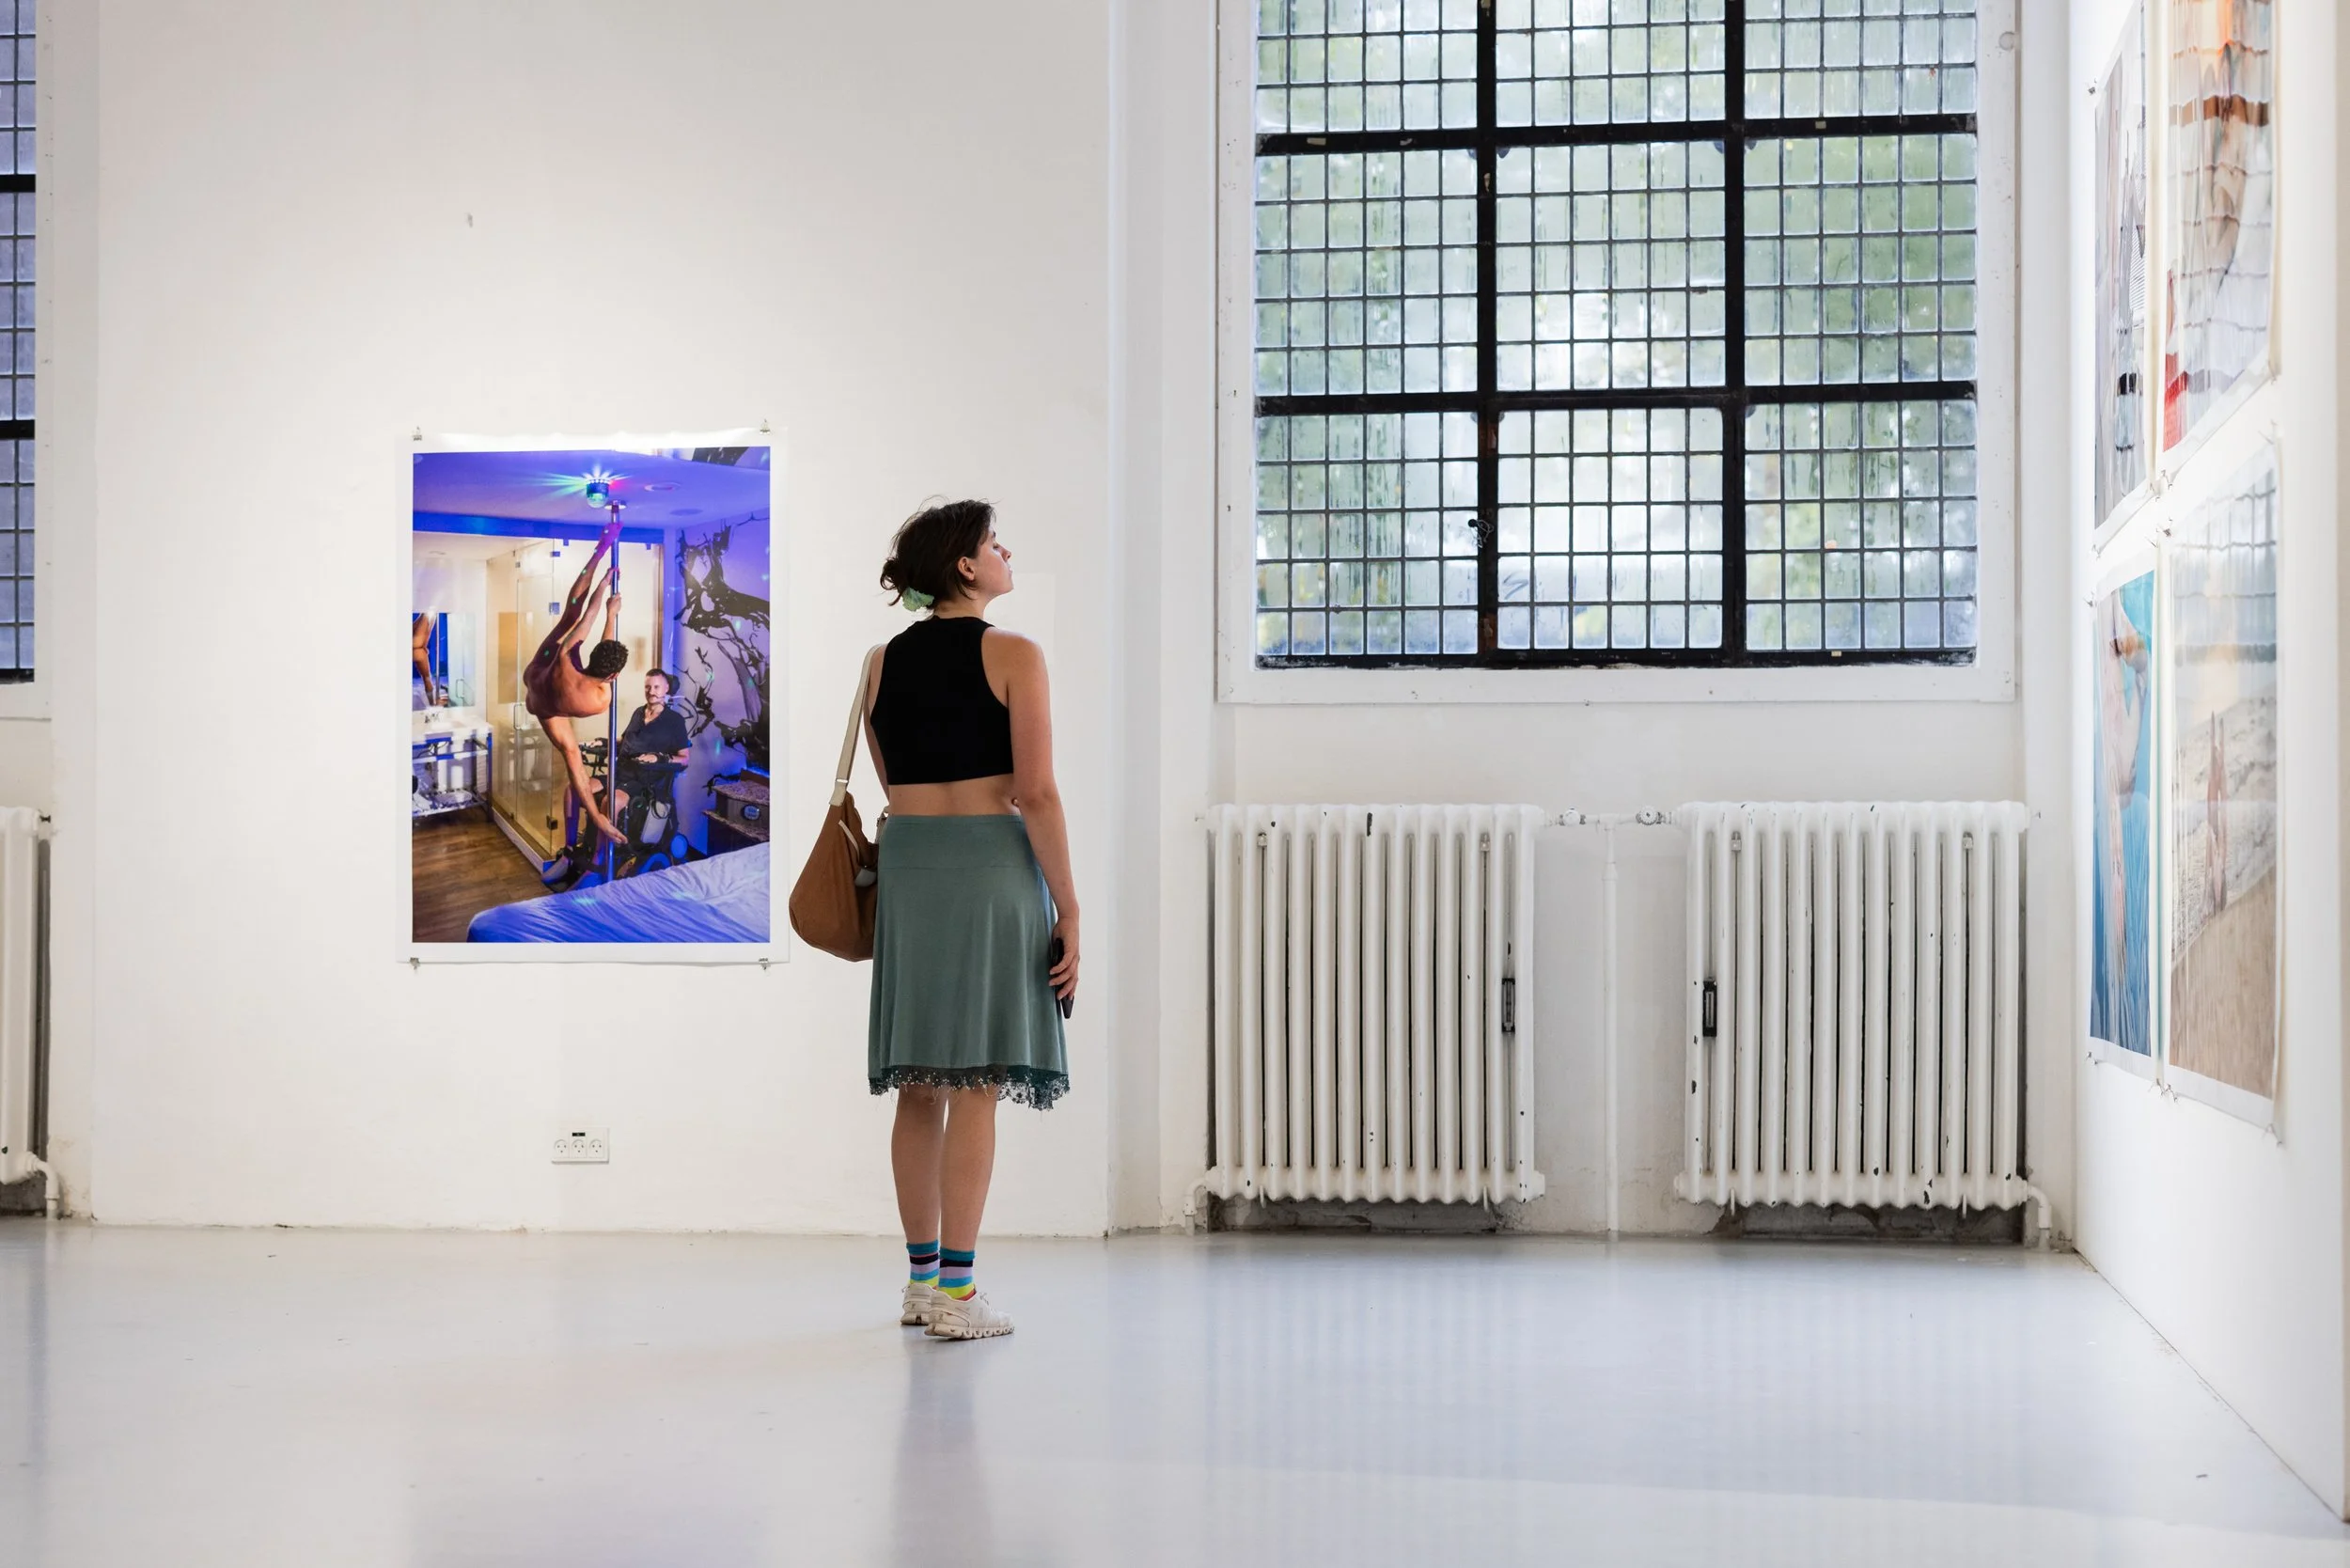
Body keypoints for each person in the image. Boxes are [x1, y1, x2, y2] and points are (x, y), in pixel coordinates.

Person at [863, 498, 1075, 1342]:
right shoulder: (1015, 653)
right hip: (991, 867)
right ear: (964, 566)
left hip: (913, 868)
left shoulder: (879, 663)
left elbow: (888, 782)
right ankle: (958, 1293)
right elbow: (1038, 792)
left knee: (919, 1089)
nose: (1005, 552)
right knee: (978, 1085)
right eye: (993, 544)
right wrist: (1071, 906)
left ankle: (921, 1285)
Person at [526, 520, 631, 872]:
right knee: (573, 756)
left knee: (570, 614)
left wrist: (604, 591)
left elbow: (584, 613)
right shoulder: (600, 699)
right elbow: (604, 656)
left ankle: (599, 548)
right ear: (613, 676)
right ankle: (599, 822)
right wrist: (614, 616)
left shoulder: (569, 654)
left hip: (539, 680)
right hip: (551, 709)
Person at [610, 666, 693, 853]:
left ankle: (606, 856)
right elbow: (624, 741)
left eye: (656, 687)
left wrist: (659, 757)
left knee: (612, 801)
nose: (651, 692)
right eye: (648, 687)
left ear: (666, 690)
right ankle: (572, 849)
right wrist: (602, 742)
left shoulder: (674, 721)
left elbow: (684, 759)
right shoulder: (638, 713)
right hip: (621, 771)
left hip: (644, 781)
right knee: (577, 789)